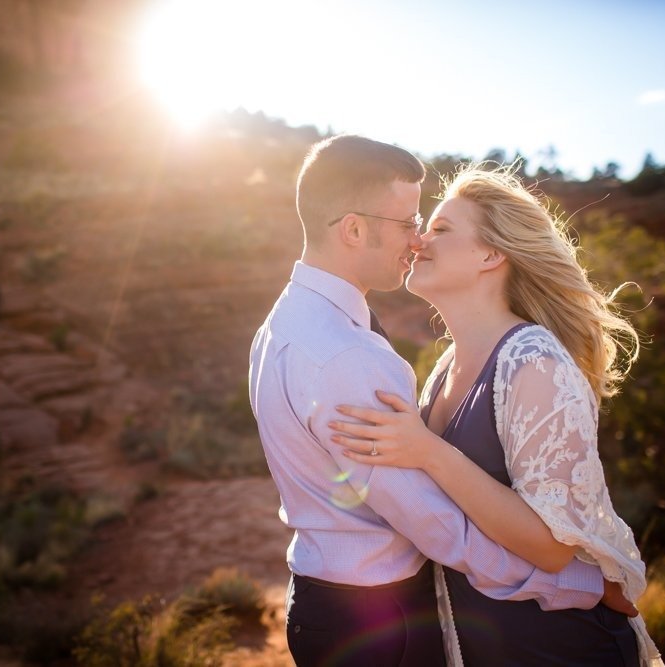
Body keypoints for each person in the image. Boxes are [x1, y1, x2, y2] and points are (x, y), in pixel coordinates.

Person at [249, 136, 636, 667]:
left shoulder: (287, 327)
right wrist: (577, 583)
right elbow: (434, 526)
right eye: (410, 222)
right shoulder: (352, 356)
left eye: (435, 226)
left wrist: (581, 576)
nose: (418, 239)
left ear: (492, 253)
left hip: (541, 644)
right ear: (354, 229)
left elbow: (475, 521)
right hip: (400, 625)